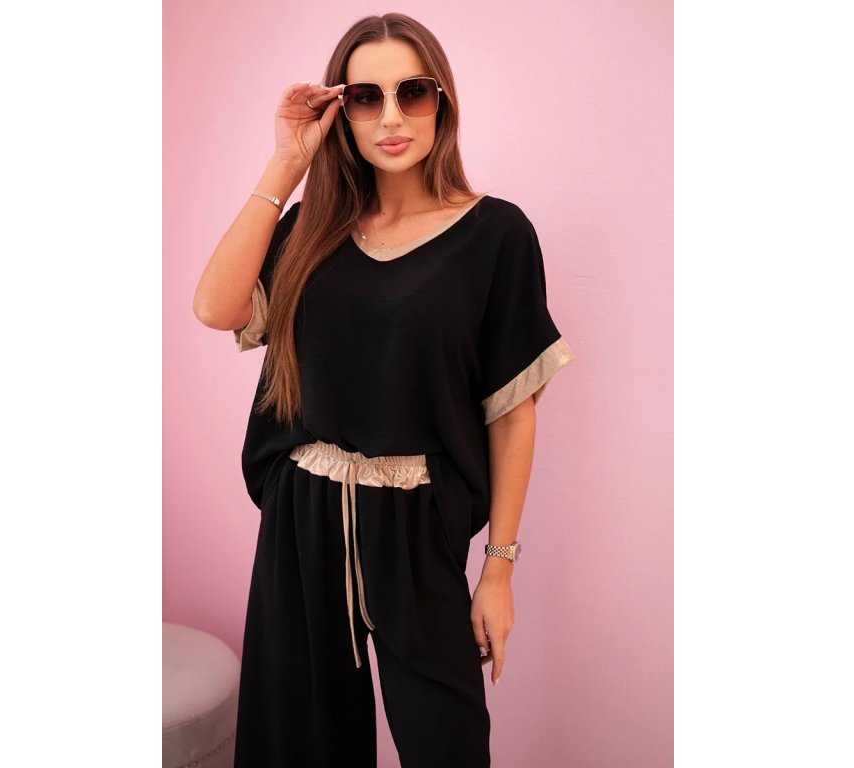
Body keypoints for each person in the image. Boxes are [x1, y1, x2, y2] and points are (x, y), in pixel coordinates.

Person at [193, 12, 574, 768]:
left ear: (443, 102)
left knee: (447, 744)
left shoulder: (495, 235)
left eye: (413, 92)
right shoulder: (310, 231)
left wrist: (498, 568)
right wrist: (285, 164)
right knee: (297, 746)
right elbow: (216, 307)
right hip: (302, 520)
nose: (392, 117)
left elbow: (511, 415)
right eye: (366, 97)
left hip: (419, 528)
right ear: (342, 111)